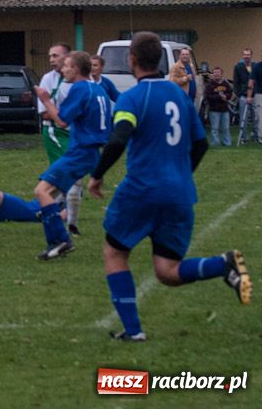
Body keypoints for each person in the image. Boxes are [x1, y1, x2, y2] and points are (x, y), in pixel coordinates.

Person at [88, 32, 250, 342]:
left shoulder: (132, 98)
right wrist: (181, 174)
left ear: (132, 60)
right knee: (167, 271)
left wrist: (97, 175)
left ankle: (133, 331)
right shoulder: (179, 95)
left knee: (115, 252)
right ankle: (223, 264)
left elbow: (119, 137)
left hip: (142, 190)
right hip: (179, 193)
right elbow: (201, 144)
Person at [33, 51, 111, 260]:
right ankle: (59, 234)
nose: (62, 69)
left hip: (80, 152)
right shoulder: (98, 88)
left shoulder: (79, 88)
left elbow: (61, 121)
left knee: (42, 191)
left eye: (66, 66)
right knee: (50, 193)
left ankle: (60, 240)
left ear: (75, 69)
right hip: (91, 152)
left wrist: (45, 99)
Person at [36, 43, 84, 236]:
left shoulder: (80, 83)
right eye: (50, 56)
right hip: (55, 131)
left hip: (74, 132)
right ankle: (67, 222)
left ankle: (50, 208)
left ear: (67, 58)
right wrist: (66, 115)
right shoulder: (48, 79)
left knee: (68, 175)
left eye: (55, 56)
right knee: (71, 173)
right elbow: (45, 113)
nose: (51, 60)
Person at [204, 66, 233, 147]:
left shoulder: (225, 83)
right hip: (214, 110)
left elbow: (230, 92)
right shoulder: (209, 85)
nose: (216, 74)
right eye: (215, 72)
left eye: (218, 72)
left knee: (226, 128)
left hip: (225, 109)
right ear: (213, 74)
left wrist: (226, 96)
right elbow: (208, 96)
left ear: (221, 74)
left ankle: (227, 143)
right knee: (215, 128)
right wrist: (219, 97)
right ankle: (215, 143)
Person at [232, 49, 256, 142]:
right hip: (243, 95)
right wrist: (239, 94)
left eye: (248, 54)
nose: (246, 56)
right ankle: (243, 137)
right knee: (243, 117)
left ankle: (255, 135)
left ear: (251, 55)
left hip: (255, 95)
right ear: (242, 55)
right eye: (245, 54)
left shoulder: (255, 66)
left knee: (256, 117)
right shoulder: (238, 67)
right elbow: (236, 82)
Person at [249, 50, 262, 143]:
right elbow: (251, 82)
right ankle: (261, 137)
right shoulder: (257, 67)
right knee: (260, 116)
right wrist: (249, 96)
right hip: (260, 94)